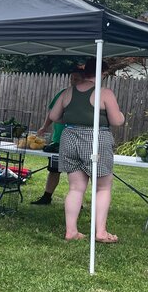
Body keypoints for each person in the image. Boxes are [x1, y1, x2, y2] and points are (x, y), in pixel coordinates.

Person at [48, 59, 125, 243]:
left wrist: (74, 119)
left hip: (69, 138)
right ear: (103, 74)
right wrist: (121, 115)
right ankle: (100, 232)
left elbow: (53, 116)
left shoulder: (68, 92)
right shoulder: (104, 93)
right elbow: (116, 121)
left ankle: (71, 231)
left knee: (75, 188)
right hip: (95, 139)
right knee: (103, 187)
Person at [31, 72, 82, 205]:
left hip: (76, 140)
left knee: (75, 172)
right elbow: (51, 112)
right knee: (54, 169)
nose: (73, 81)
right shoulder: (63, 93)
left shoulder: (86, 97)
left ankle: (76, 201)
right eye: (71, 78)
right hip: (58, 139)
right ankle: (47, 197)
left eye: (76, 78)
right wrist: (44, 127)